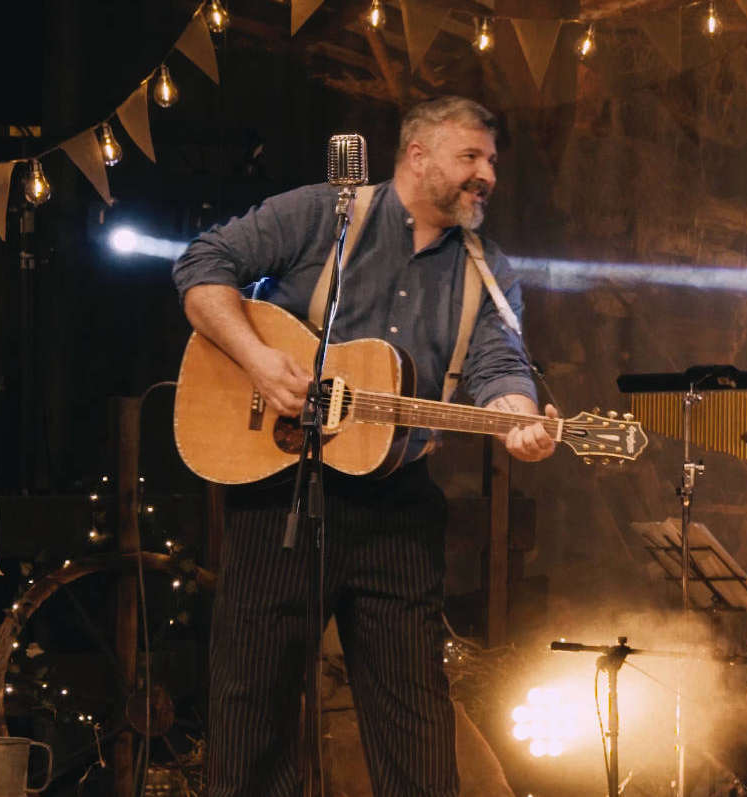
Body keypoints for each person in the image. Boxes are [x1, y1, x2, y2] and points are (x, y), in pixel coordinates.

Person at [172, 96, 556, 797]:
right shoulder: (325, 213)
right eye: (471, 156)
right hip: (282, 492)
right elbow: (203, 266)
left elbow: (501, 367)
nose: (487, 175)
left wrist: (518, 416)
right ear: (417, 155)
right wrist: (259, 359)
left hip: (399, 507)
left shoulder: (487, 267)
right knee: (251, 706)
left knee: (416, 718)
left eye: (492, 161)